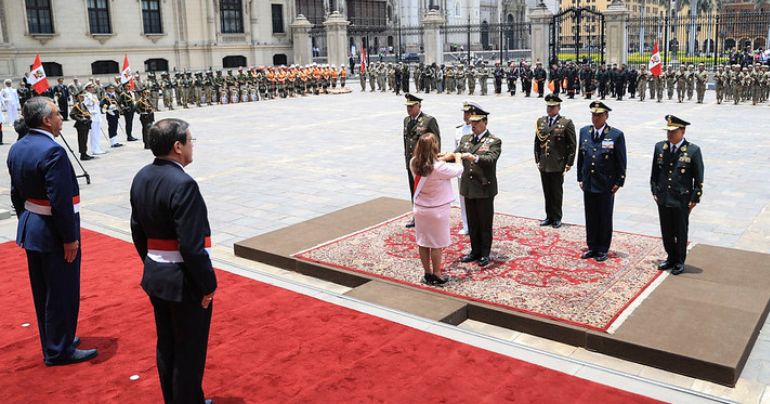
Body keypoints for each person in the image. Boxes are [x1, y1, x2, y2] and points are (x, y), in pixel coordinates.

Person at [130, 118, 217, 404]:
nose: (193, 146)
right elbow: (192, 247)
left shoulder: (142, 176)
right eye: (191, 141)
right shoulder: (184, 184)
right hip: (184, 281)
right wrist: (207, 285)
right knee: (189, 351)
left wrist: (152, 262)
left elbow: (137, 229)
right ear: (178, 147)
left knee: (167, 344)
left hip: (157, 275)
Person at [6, 97, 98, 366]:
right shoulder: (52, 151)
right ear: (46, 120)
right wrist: (69, 238)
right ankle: (59, 350)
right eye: (57, 114)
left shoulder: (18, 147)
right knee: (61, 291)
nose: (61, 119)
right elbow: (60, 201)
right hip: (53, 232)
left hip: (33, 227)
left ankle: (57, 337)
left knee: (44, 291)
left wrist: (27, 218)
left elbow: (16, 194)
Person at [446, 104, 501, 267]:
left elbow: (491, 159)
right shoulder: (466, 139)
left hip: (484, 187)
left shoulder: (493, 141)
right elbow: (456, 154)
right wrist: (442, 157)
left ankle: (485, 253)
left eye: (476, 122)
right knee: (472, 221)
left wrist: (475, 158)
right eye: (471, 122)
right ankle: (474, 251)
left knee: (484, 222)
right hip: (468, 187)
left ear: (485, 122)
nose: (473, 125)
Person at [651, 115, 704, 275]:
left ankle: (680, 261)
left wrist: (695, 198)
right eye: (668, 132)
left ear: (682, 131)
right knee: (666, 230)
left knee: (680, 231)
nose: (669, 135)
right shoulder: (660, 148)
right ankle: (670, 257)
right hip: (664, 197)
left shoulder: (693, 150)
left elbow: (698, 178)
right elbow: (655, 173)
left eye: (673, 132)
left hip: (681, 199)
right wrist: (655, 191)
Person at [411, 133, 464, 286]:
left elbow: (429, 164)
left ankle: (427, 273)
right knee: (436, 244)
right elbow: (458, 170)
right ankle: (437, 274)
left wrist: (441, 158)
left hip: (421, 209)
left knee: (423, 242)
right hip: (437, 210)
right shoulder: (439, 167)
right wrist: (457, 157)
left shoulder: (414, 162)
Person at [577, 101, 626, 262]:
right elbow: (581, 158)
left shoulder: (615, 135)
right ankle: (592, 246)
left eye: (599, 115)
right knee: (590, 216)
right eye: (593, 114)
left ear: (606, 116)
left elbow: (621, 161)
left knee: (604, 217)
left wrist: (619, 182)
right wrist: (580, 178)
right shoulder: (584, 132)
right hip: (589, 182)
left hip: (606, 184)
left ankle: (603, 248)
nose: (595, 118)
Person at [535, 94, 576, 229]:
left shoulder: (566, 123)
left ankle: (557, 217)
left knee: (557, 192)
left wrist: (569, 162)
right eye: (548, 107)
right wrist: (537, 159)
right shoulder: (541, 121)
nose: (550, 109)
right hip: (544, 163)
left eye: (553, 107)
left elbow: (572, 144)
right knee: (547, 191)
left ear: (558, 108)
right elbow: (537, 142)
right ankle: (549, 216)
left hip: (558, 163)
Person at [403, 93, 441, 228]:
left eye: (412, 106)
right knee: (413, 189)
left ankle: (428, 215)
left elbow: (436, 142)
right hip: (411, 163)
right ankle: (416, 216)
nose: (409, 109)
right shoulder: (407, 120)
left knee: (425, 190)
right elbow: (406, 141)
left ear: (419, 105)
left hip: (424, 163)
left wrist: (434, 161)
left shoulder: (428, 121)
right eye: (407, 106)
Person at [455, 101, 475, 235]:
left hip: (473, 169)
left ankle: (475, 224)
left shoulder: (476, 129)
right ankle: (466, 225)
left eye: (468, 113)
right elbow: (456, 150)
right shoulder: (458, 129)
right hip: (461, 170)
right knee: (462, 198)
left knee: (474, 199)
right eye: (464, 112)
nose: (465, 115)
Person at [69, 91, 94, 160]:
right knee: (82, 140)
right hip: (81, 125)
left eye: (83, 96)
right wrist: (81, 120)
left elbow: (86, 113)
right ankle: (82, 155)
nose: (82, 97)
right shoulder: (77, 105)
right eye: (81, 96)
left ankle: (84, 153)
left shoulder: (83, 104)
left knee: (84, 139)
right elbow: (72, 115)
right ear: (77, 97)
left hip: (86, 124)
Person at [83, 82, 106, 155]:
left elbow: (97, 105)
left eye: (93, 87)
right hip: (92, 117)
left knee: (97, 134)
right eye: (91, 87)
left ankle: (98, 148)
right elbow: (85, 106)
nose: (93, 88)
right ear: (88, 88)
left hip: (97, 117)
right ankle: (94, 149)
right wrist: (91, 111)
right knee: (94, 134)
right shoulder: (86, 96)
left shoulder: (94, 96)